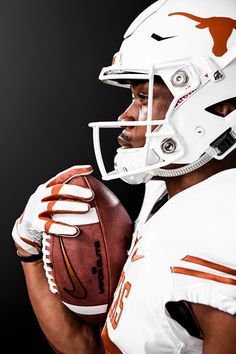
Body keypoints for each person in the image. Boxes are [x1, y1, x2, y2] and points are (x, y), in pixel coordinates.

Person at [11, 0, 236, 353]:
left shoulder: (223, 234)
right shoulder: (164, 188)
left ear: (222, 105)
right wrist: (29, 254)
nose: (127, 115)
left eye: (144, 97)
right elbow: (93, 348)